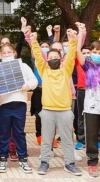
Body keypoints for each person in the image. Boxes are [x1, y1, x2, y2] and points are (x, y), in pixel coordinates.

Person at [31, 29, 82, 176]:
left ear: (61, 59)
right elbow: (39, 58)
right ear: (47, 60)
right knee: (47, 140)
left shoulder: (66, 70)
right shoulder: (44, 71)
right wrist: (34, 42)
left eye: (56, 56)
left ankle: (70, 163)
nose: (53, 58)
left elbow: (71, 55)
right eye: (50, 57)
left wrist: (73, 40)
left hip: (65, 111)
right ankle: (45, 162)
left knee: (67, 140)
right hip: (47, 111)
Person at [0, 17, 26, 160]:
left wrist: (23, 26)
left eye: (7, 44)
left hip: (15, 100)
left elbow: (21, 42)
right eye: (2, 45)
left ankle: (13, 149)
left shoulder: (16, 62)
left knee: (14, 127)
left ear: (13, 50)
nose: (5, 46)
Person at [0, 43, 37, 174]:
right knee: (3, 133)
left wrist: (28, 85)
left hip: (19, 105)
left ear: (15, 53)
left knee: (19, 133)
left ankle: (23, 159)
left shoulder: (23, 67)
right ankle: (3, 159)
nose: (7, 55)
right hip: (2, 106)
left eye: (9, 52)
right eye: (4, 53)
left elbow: (34, 80)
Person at [76, 34, 100, 177]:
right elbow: (78, 51)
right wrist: (80, 35)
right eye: (94, 52)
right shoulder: (88, 66)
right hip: (91, 107)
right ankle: (92, 162)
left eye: (99, 52)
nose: (96, 54)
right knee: (91, 136)